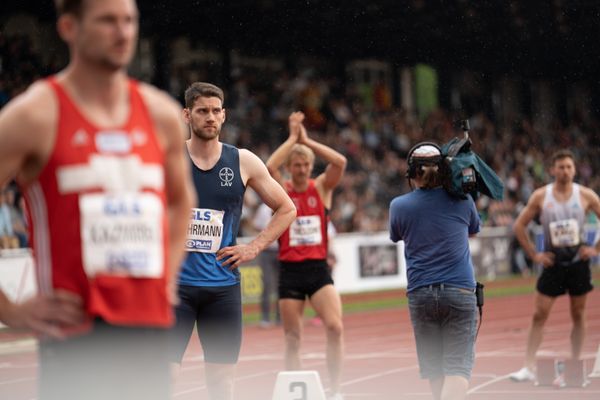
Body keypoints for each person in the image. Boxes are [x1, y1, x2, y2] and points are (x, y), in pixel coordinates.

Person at [0, 1, 194, 399]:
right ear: (69, 27)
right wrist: (10, 309)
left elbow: (180, 201)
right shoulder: (33, 116)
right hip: (75, 336)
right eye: (107, 21)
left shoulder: (161, 114)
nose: (123, 33)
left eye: (129, 20)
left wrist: (167, 277)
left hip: (150, 331)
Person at [169, 82, 296, 400]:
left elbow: (286, 209)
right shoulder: (167, 158)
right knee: (163, 378)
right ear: (187, 115)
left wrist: (254, 246)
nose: (209, 117)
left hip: (222, 289)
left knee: (223, 384)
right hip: (175, 288)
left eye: (215, 111)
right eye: (202, 111)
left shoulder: (243, 161)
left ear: (224, 115)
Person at [389, 142, 480, 400]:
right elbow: (474, 228)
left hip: (420, 294)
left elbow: (396, 234)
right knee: (457, 369)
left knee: (435, 370)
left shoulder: (399, 205)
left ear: (411, 173)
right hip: (459, 291)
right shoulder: (463, 201)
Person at [266, 111, 347, 400]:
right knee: (292, 338)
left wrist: (307, 140)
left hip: (317, 269)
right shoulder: (282, 191)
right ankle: (294, 393)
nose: (301, 169)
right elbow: (269, 166)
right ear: (290, 167)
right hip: (290, 271)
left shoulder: (321, 187)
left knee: (335, 328)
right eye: (296, 165)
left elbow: (340, 162)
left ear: (311, 166)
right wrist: (291, 138)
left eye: (305, 165)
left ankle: (336, 391)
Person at [509, 149, 599, 382]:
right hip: (552, 262)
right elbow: (519, 225)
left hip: (578, 262)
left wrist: (595, 248)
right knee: (539, 315)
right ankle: (528, 367)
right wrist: (534, 254)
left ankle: (575, 366)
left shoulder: (586, 195)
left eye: (569, 167)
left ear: (575, 169)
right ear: (552, 170)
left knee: (578, 314)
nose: (565, 171)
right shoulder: (541, 196)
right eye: (561, 167)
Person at [253, 202, 281, 328]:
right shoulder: (263, 209)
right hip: (266, 251)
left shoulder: (285, 206)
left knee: (282, 284)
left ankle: (280, 317)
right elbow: (256, 225)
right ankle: (265, 317)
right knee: (267, 283)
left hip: (282, 251)